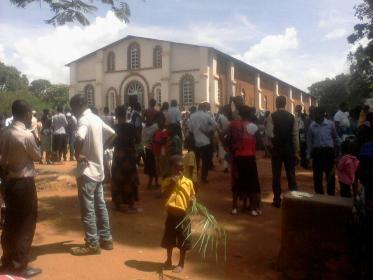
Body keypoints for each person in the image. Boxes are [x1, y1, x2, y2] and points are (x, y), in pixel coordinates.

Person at [69, 94, 116, 256]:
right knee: (100, 205)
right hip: (99, 170)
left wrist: (77, 153)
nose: (72, 111)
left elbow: (80, 136)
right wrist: (100, 148)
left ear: (78, 106)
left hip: (87, 171)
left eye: (73, 107)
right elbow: (113, 134)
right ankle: (106, 239)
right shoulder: (96, 118)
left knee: (88, 208)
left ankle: (92, 243)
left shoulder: (83, 120)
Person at [0, 100, 42, 278]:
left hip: (8, 182)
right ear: (26, 115)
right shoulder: (26, 135)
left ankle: (7, 261)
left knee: (10, 223)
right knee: (26, 224)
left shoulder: (4, 132)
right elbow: (38, 156)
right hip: (24, 183)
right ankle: (19, 265)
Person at [161, 155, 195, 273]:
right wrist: (172, 184)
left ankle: (181, 263)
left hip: (183, 217)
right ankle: (169, 260)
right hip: (171, 215)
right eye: (177, 168)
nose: (180, 171)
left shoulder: (188, 182)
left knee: (183, 241)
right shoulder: (166, 181)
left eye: (182, 168)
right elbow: (164, 196)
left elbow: (192, 196)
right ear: (171, 168)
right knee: (169, 239)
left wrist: (193, 200)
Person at [266, 96, 299, 208]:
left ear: (276, 103)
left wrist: (270, 146)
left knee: (276, 175)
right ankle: (294, 199)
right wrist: (296, 152)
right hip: (289, 149)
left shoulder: (272, 116)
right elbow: (295, 136)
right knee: (291, 174)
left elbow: (269, 134)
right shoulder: (292, 117)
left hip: (277, 149)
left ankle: (277, 199)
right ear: (285, 104)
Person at [228, 105, 261, 216]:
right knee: (251, 182)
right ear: (250, 114)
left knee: (237, 181)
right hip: (250, 157)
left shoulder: (233, 125)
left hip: (238, 157)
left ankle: (234, 207)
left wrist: (228, 148)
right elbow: (260, 143)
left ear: (240, 114)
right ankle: (252, 208)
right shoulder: (253, 127)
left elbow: (223, 135)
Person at [111, 105, 140, 212]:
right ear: (126, 114)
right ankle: (130, 204)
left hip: (118, 155)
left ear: (116, 115)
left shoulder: (114, 128)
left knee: (117, 178)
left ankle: (117, 204)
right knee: (130, 178)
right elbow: (138, 140)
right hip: (130, 155)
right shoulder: (131, 127)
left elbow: (111, 144)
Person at [307, 107, 341, 195]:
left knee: (330, 176)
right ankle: (319, 196)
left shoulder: (330, 124)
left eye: (316, 113)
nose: (314, 115)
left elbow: (336, 138)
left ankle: (330, 197)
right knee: (317, 177)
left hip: (328, 152)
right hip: (317, 153)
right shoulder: (312, 126)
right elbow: (309, 142)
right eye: (314, 113)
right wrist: (308, 156)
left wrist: (340, 151)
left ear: (322, 114)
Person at [188, 103, 217, 183]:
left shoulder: (192, 116)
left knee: (195, 160)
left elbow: (190, 129)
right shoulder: (207, 116)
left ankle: (195, 177)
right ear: (204, 108)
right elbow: (215, 125)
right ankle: (204, 177)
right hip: (206, 141)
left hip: (195, 141)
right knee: (205, 160)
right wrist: (208, 131)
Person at [143, 113, 160, 189]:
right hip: (153, 149)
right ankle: (153, 183)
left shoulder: (144, 128)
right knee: (154, 166)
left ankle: (152, 183)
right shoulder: (155, 127)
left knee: (151, 167)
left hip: (148, 149)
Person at [153, 114, 169, 179]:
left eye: (160, 122)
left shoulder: (164, 131)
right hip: (157, 151)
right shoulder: (157, 131)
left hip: (162, 151)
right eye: (158, 123)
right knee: (158, 167)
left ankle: (164, 180)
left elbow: (164, 142)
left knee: (163, 166)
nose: (159, 124)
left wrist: (156, 141)